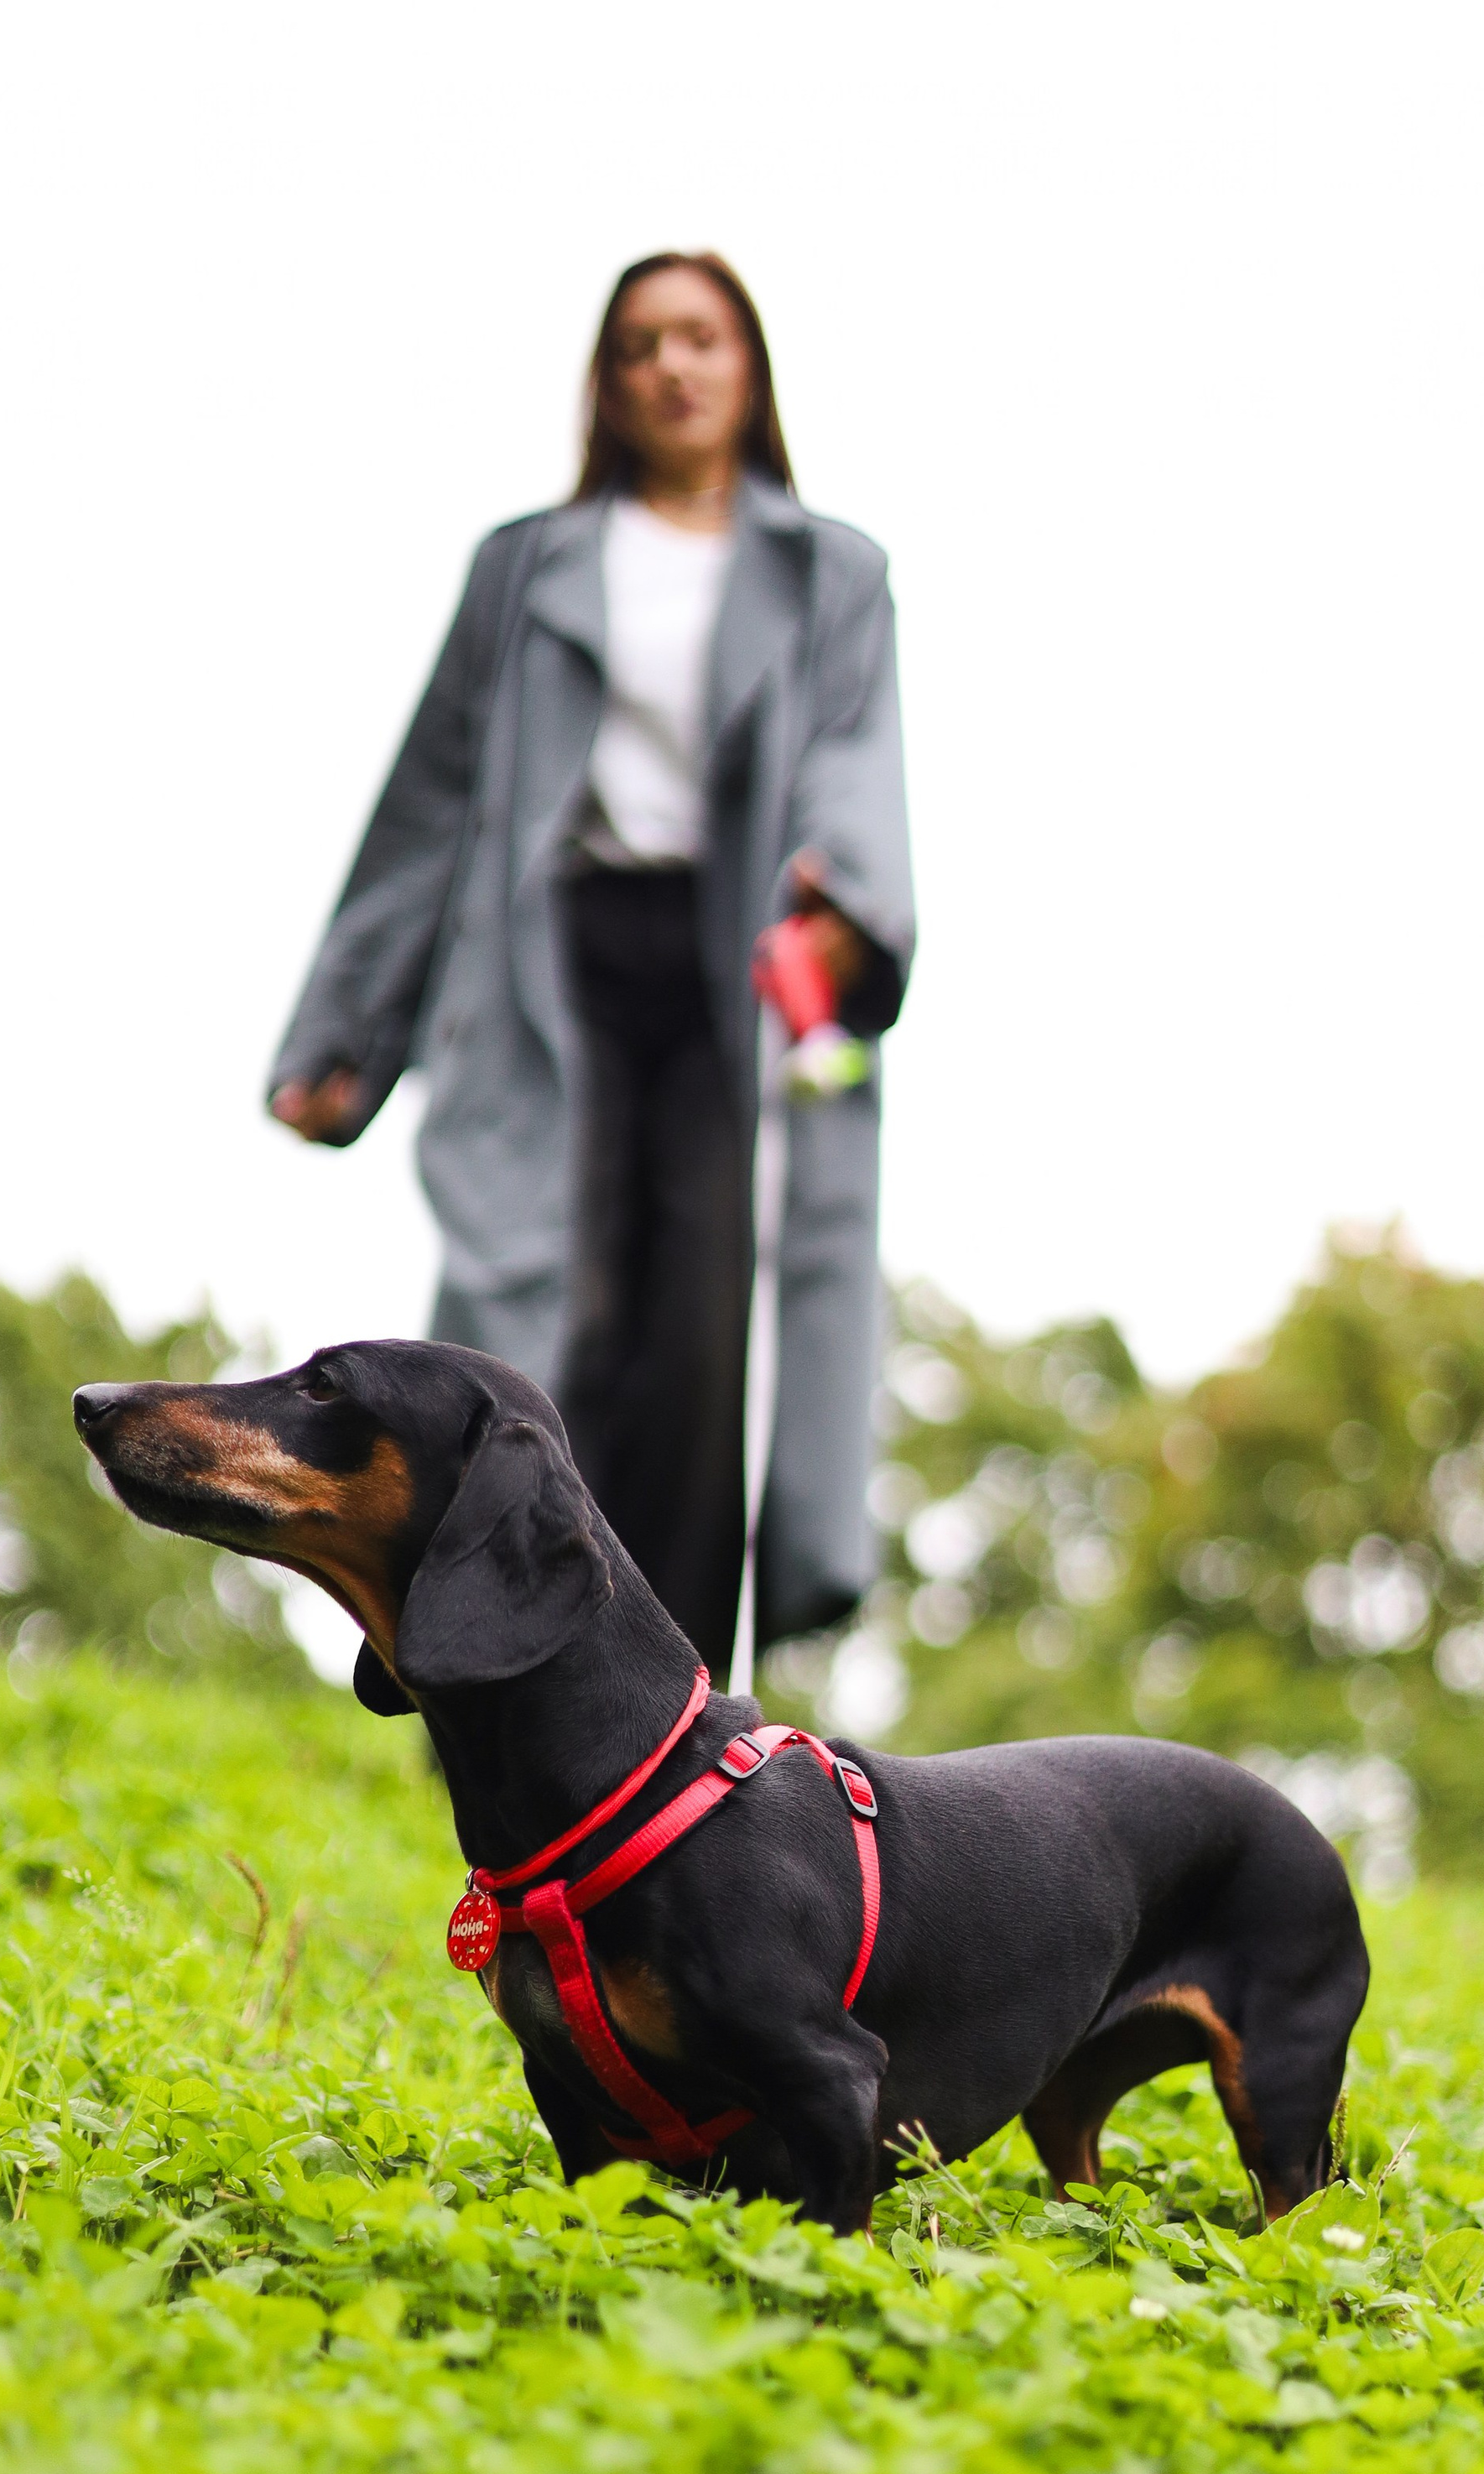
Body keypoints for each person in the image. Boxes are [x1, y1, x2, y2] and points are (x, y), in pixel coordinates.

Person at [268, 252, 914, 1684]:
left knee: (694, 1354)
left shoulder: (832, 574)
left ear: (748, 368)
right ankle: (490, 1670)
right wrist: (346, 1032)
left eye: (701, 338)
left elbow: (857, 770)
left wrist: (846, 902)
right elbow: (433, 801)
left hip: (727, 986)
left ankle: (675, 1701)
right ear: (606, 384)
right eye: (639, 345)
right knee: (536, 1323)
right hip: (548, 967)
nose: (672, 367)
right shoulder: (528, 567)